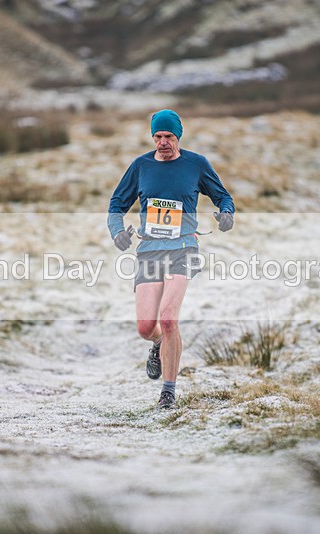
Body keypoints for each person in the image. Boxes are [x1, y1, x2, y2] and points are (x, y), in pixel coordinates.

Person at [107, 109, 235, 409]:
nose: (163, 142)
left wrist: (226, 215)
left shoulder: (196, 164)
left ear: (179, 136)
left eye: (169, 137)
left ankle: (168, 391)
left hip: (184, 249)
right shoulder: (141, 166)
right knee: (145, 327)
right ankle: (159, 345)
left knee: (168, 318)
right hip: (149, 250)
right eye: (158, 137)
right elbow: (116, 203)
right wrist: (117, 233)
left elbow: (223, 196)